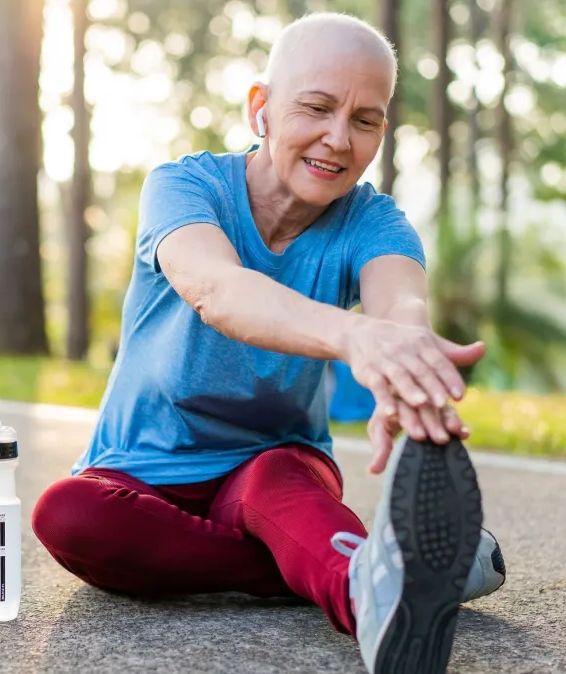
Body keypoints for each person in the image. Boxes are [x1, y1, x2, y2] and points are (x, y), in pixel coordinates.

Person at [31, 12, 505, 674]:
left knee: (276, 483)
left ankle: (361, 592)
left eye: (365, 120)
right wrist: (353, 334)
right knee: (68, 514)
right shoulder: (185, 187)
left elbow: (401, 302)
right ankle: (372, 567)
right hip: (141, 474)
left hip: (275, 466)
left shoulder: (374, 221)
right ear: (261, 107)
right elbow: (217, 290)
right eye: (317, 108)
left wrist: (406, 358)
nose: (337, 140)